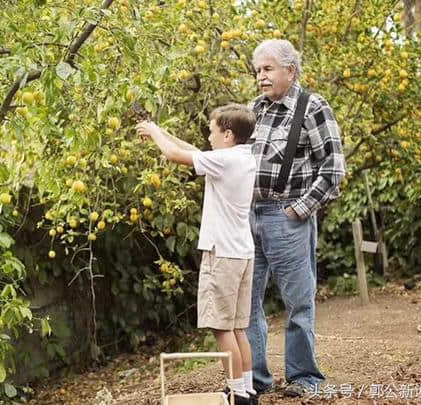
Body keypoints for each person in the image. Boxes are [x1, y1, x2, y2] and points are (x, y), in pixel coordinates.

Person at [137, 104, 258, 405]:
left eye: (212, 130)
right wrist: (161, 130)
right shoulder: (241, 157)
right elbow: (192, 150)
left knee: (221, 329)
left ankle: (237, 395)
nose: (209, 136)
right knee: (238, 327)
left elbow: (176, 156)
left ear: (227, 134)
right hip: (241, 253)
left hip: (223, 255)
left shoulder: (226, 160)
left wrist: (152, 133)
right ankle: (247, 390)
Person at [246, 39, 346, 398]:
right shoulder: (254, 109)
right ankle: (254, 380)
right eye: (258, 70)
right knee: (247, 301)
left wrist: (298, 210)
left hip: (287, 216)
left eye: (268, 69)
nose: (261, 76)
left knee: (298, 302)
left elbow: (333, 171)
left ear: (290, 70)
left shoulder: (313, 106)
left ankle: (305, 377)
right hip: (248, 215)